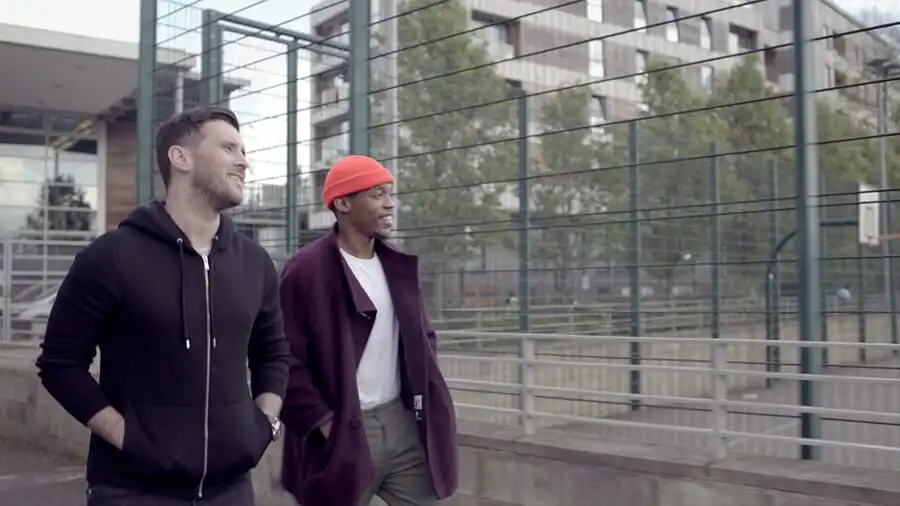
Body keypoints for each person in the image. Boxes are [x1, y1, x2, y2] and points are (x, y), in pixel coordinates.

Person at [35, 106, 291, 505]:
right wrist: (130, 439)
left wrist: (264, 424)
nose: (244, 161)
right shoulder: (112, 257)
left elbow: (274, 353)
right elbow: (59, 364)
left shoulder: (255, 263)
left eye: (243, 150)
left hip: (233, 490)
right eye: (228, 148)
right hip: (132, 491)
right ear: (180, 157)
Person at [279, 155, 458, 506]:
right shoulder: (306, 270)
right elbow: (283, 359)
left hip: (401, 422)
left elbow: (423, 337)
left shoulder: (397, 264)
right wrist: (323, 423)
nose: (390, 203)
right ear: (343, 203)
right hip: (343, 428)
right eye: (377, 195)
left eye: (390, 194)